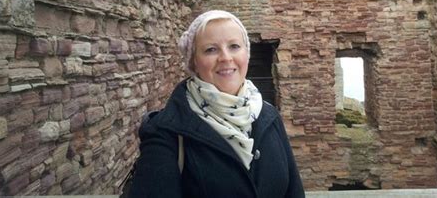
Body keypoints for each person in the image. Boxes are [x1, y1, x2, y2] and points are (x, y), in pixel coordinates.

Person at [129, 10, 305, 198]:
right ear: (194, 61)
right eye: (211, 49)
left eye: (234, 46)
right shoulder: (166, 132)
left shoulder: (268, 115)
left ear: (247, 54)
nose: (226, 58)